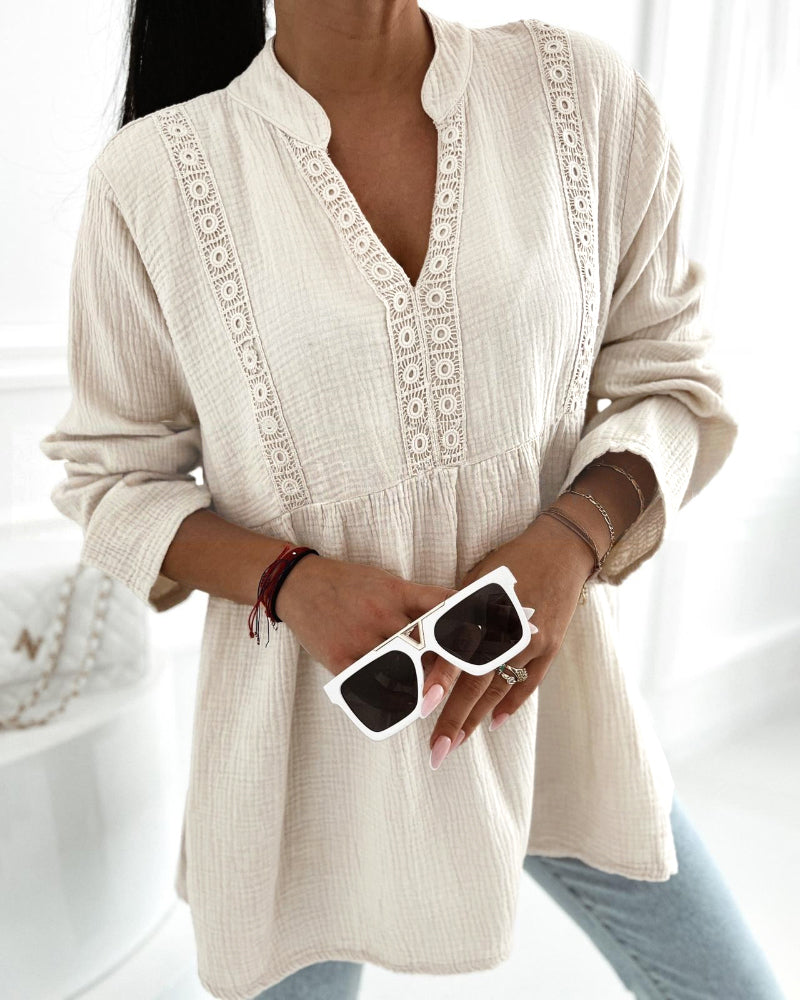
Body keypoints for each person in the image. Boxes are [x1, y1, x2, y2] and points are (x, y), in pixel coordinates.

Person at [39, 1, 786, 998]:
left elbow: (670, 377)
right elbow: (113, 478)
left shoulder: (576, 95)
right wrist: (291, 581)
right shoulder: (154, 177)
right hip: (308, 749)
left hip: (547, 701)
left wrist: (571, 540)